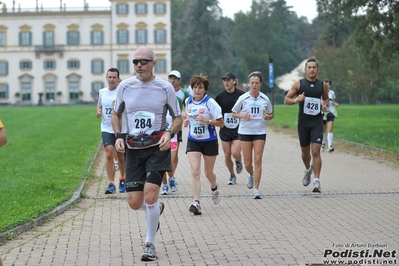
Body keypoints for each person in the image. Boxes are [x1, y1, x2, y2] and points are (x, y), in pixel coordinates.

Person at [112, 46, 182, 261]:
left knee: (150, 194)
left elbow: (178, 117)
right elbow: (116, 114)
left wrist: (169, 133)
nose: (139, 65)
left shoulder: (164, 88)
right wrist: (118, 136)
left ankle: (149, 243)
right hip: (133, 149)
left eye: (143, 61)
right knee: (134, 202)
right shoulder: (125, 87)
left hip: (156, 148)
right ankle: (155, 210)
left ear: (153, 64)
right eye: (135, 62)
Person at [284, 58, 328, 193]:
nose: (312, 70)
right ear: (305, 69)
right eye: (309, 67)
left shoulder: (322, 85)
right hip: (303, 123)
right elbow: (286, 100)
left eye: (314, 67)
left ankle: (316, 181)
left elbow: (325, 98)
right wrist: (297, 99)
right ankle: (308, 169)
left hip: (316, 122)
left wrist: (325, 105)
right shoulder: (299, 84)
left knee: (315, 151)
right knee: (305, 153)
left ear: (318, 69)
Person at [183, 74, 224, 215]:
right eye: (195, 87)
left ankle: (214, 187)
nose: (197, 90)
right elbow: (188, 115)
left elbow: (221, 123)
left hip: (209, 141)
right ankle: (196, 202)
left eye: (200, 88)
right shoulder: (188, 101)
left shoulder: (210, 103)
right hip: (193, 140)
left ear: (205, 89)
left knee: (208, 173)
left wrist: (207, 120)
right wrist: (186, 120)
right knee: (195, 171)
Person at [231, 71, 273, 199]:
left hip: (260, 132)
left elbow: (271, 114)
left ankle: (256, 189)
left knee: (258, 160)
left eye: (256, 83)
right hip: (245, 132)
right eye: (252, 83)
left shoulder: (265, 98)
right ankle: (251, 174)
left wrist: (267, 116)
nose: (254, 85)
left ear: (260, 84)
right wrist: (243, 115)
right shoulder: (243, 98)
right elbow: (233, 113)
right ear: (249, 84)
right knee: (248, 163)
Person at [96, 68, 126, 194]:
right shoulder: (102, 92)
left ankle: (123, 178)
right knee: (109, 153)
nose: (112, 79)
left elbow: (129, 107)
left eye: (114, 77)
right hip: (106, 128)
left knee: (120, 155)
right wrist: (98, 111)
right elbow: (100, 105)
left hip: (120, 128)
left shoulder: (122, 92)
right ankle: (111, 183)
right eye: (110, 77)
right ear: (106, 78)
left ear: (118, 79)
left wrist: (119, 104)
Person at [160, 70, 190, 195]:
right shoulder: (162, 91)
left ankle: (171, 177)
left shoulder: (183, 93)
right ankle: (165, 185)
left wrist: (186, 115)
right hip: (161, 131)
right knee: (162, 160)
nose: (172, 80)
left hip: (175, 130)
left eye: (175, 78)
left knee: (172, 159)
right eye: (170, 78)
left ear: (179, 80)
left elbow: (189, 106)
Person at [215, 72, 245, 185]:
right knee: (227, 154)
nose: (226, 83)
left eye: (228, 80)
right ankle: (232, 175)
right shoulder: (219, 97)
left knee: (235, 153)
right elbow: (214, 111)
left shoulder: (241, 96)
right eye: (224, 80)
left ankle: (238, 160)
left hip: (239, 129)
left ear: (234, 81)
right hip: (225, 129)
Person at [321, 80, 339, 152]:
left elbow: (332, 100)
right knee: (323, 130)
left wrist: (335, 103)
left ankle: (330, 146)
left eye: (328, 85)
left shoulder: (332, 92)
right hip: (322, 112)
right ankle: (323, 143)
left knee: (330, 129)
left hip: (330, 111)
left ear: (330, 86)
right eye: (325, 85)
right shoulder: (320, 92)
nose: (327, 86)